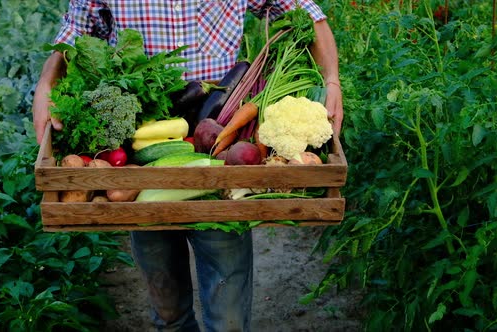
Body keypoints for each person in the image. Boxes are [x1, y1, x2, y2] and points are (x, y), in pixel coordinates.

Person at [32, 1, 343, 331]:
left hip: (218, 149)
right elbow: (77, 31)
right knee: (168, 312)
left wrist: (332, 81)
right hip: (143, 147)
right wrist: (45, 85)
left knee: (228, 319)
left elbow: (306, 13)